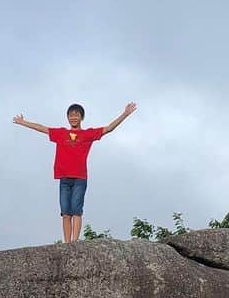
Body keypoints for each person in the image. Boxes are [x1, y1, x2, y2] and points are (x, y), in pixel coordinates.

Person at [13, 102, 137, 242]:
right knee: (65, 213)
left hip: (79, 178)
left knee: (76, 211)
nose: (73, 117)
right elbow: (42, 128)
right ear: (67, 118)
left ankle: (75, 242)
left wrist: (125, 114)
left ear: (81, 118)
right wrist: (23, 122)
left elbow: (108, 128)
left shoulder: (87, 134)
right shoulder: (61, 133)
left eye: (76, 115)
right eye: (71, 115)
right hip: (64, 178)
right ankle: (67, 244)